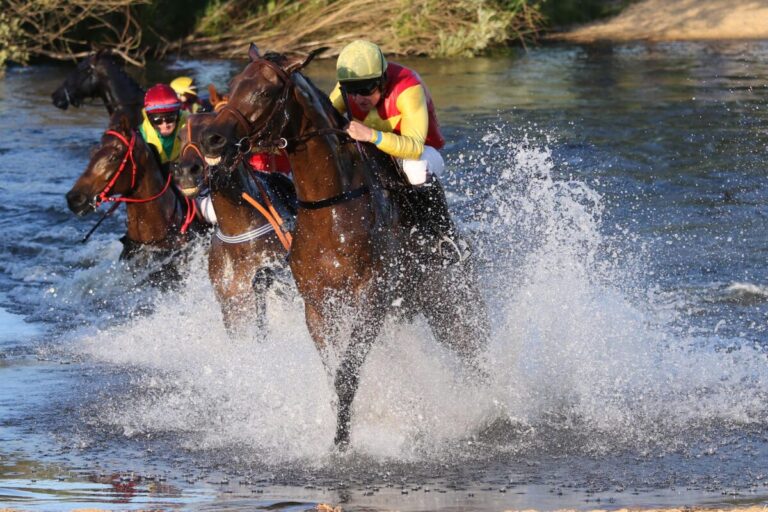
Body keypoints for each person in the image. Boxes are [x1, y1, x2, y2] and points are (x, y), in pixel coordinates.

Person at [329, 39, 469, 264]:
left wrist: (371, 136)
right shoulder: (348, 86)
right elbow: (321, 122)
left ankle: (445, 235)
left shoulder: (408, 86)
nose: (358, 98)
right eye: (351, 91)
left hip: (422, 152)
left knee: (414, 168)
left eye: (366, 89)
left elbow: (414, 147)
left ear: (383, 79)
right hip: (372, 150)